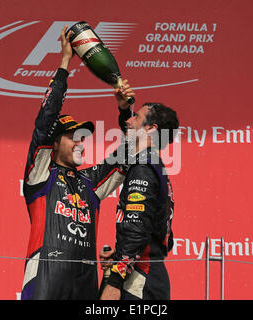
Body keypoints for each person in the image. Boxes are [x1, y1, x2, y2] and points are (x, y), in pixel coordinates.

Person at [20, 25, 134, 300]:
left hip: (83, 285)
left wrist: (124, 109)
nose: (80, 142)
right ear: (55, 144)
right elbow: (45, 123)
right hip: (45, 282)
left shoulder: (90, 182)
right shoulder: (40, 178)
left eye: (81, 137)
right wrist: (64, 63)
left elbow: (130, 154)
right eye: (72, 137)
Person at [99, 94, 179, 300]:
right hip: (148, 275)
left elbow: (137, 230)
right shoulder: (153, 165)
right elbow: (155, 233)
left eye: (136, 118)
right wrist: (119, 255)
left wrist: (115, 281)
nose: (128, 121)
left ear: (151, 129)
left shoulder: (143, 168)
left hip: (140, 280)